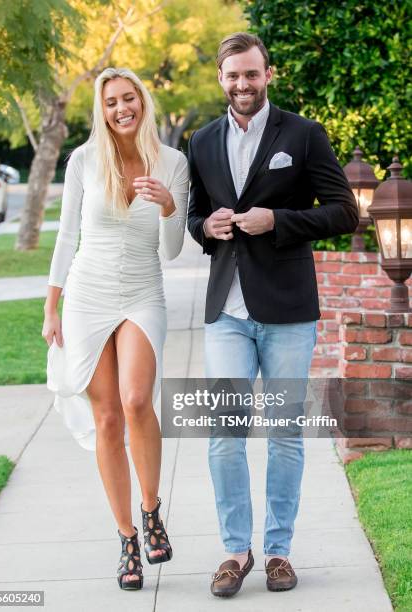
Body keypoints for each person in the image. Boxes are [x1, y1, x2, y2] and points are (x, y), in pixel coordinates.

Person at [187, 32, 358, 598]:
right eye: (232, 75)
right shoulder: (202, 140)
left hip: (287, 311)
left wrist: (278, 221)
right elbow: (195, 217)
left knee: (286, 434)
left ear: (268, 74)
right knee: (223, 435)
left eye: (251, 74)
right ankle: (236, 551)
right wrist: (205, 229)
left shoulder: (303, 134)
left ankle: (279, 552)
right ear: (220, 77)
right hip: (226, 312)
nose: (242, 84)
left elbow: (344, 213)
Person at [42, 67, 189, 591]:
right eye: (111, 102)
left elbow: (171, 249)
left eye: (128, 98)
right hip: (87, 295)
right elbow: (65, 238)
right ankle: (127, 537)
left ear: (143, 101)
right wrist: (51, 306)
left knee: (134, 399)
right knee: (106, 418)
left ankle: (152, 511)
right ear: (101, 110)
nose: (121, 108)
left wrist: (171, 206)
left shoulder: (173, 162)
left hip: (143, 294)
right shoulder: (84, 159)